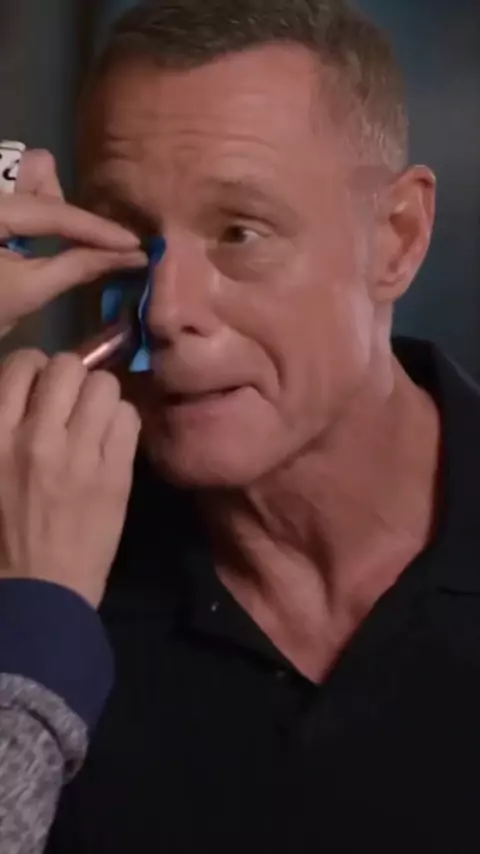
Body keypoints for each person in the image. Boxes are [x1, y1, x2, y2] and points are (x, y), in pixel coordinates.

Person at [0, 0, 479, 852]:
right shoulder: (32, 574)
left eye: (239, 232)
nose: (166, 310)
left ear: (397, 238)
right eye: (131, 236)